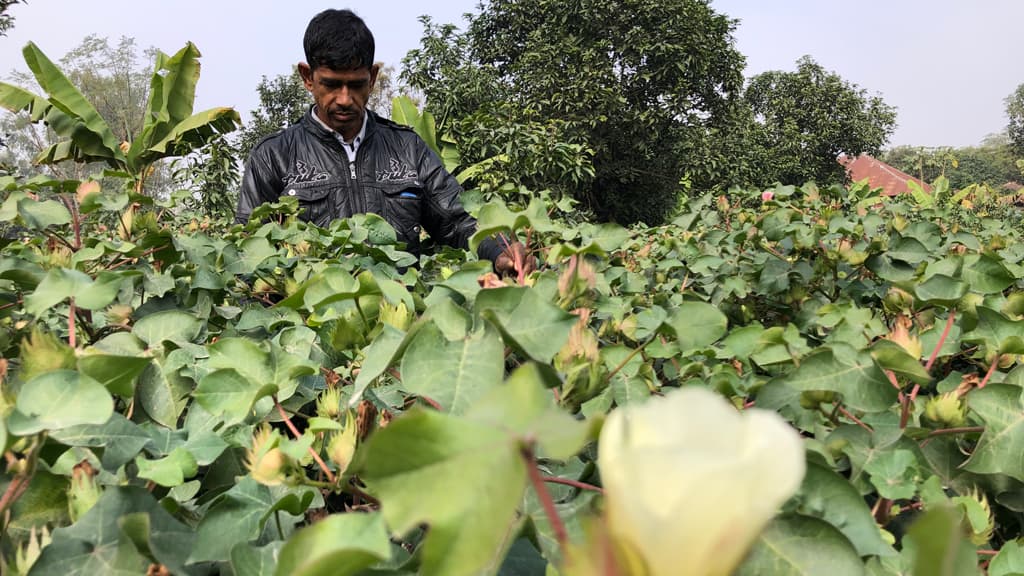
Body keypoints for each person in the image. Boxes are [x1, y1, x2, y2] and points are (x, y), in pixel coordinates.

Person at [235, 8, 529, 276]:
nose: (345, 99)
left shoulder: (408, 148)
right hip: (308, 327)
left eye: (357, 84)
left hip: (401, 317)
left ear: (373, 77)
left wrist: (498, 251)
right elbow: (250, 255)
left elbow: (456, 222)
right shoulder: (274, 157)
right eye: (331, 84)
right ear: (307, 77)